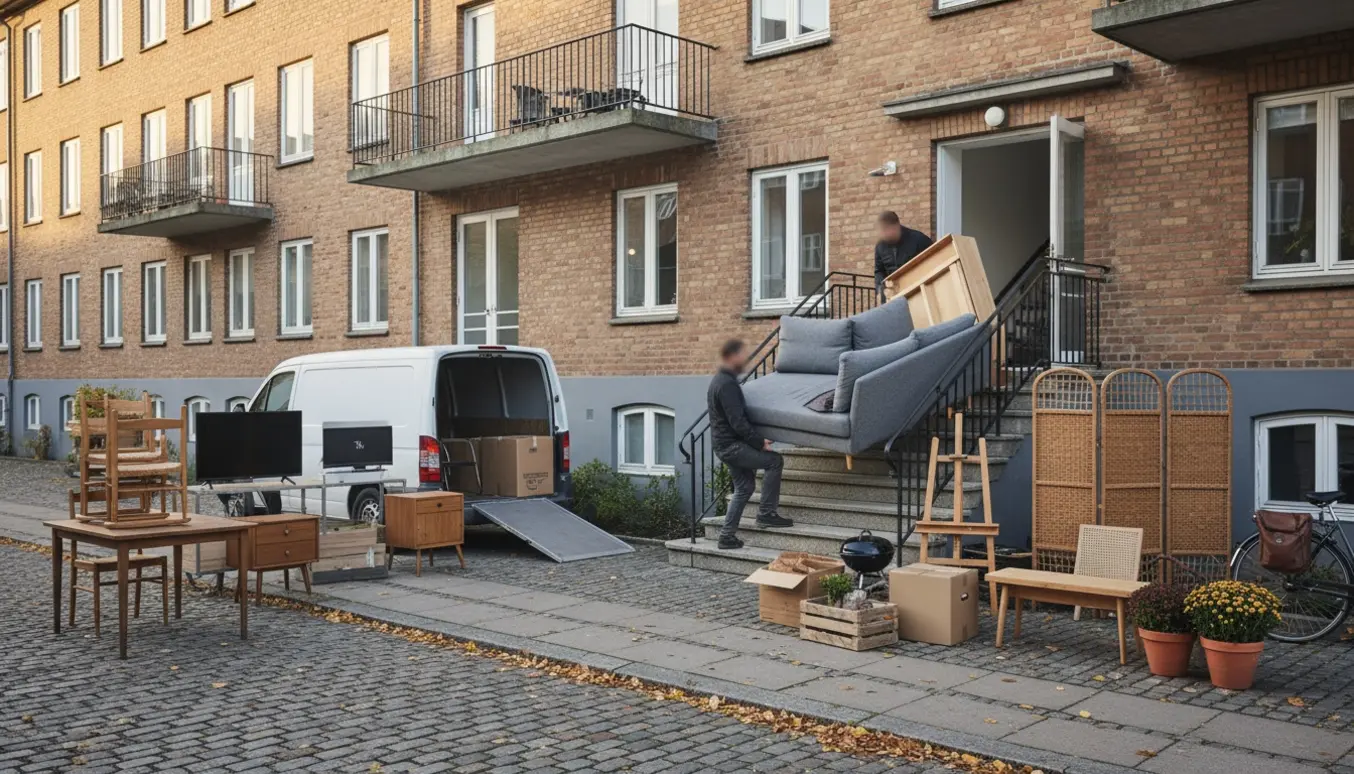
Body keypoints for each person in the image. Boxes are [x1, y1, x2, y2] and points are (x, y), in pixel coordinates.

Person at [707, 338, 793, 550]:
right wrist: (759, 442)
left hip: (724, 445)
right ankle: (766, 514)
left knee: (744, 488)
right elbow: (737, 421)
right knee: (774, 461)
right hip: (732, 446)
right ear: (731, 356)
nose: (745, 359)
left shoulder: (720, 380)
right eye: (742, 355)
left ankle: (726, 536)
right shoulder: (726, 384)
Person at [873, 211, 934, 300]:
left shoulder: (919, 240)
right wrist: (880, 291)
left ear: (896, 226)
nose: (882, 234)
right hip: (894, 297)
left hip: (919, 293)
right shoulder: (880, 247)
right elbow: (879, 271)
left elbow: (933, 261)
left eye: (885, 230)